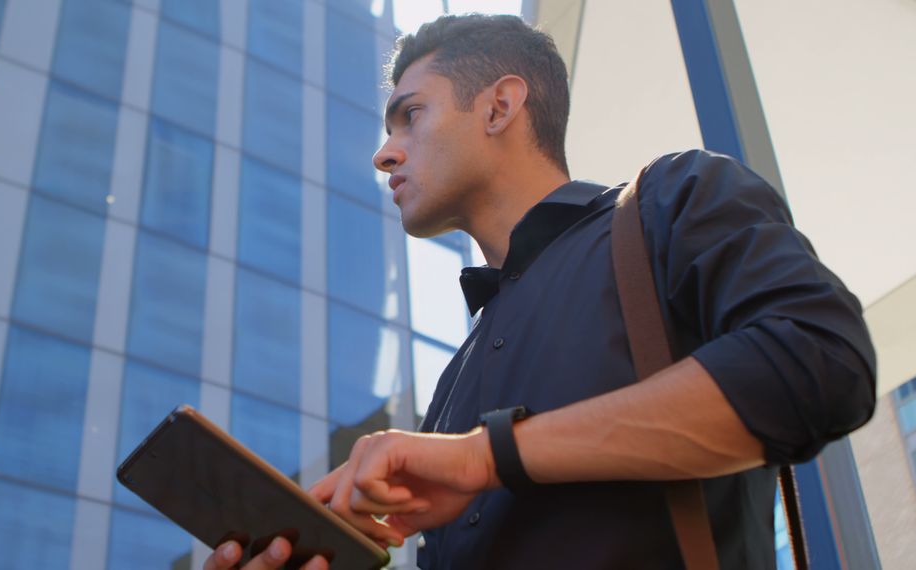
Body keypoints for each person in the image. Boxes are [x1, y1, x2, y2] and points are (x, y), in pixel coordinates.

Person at [204, 14, 875, 570]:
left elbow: (821, 363)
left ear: (500, 105)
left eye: (410, 116)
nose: (385, 153)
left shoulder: (671, 201)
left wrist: (485, 456)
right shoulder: (451, 387)